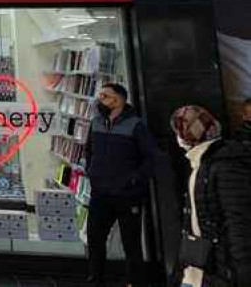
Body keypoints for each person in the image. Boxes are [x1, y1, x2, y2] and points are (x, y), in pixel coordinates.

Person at [84, 82, 159, 287]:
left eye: (105, 96)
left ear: (118, 100)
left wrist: (134, 179)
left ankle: (133, 282)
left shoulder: (135, 125)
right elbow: (88, 151)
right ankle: (95, 279)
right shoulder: (96, 122)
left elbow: (152, 157)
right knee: (94, 239)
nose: (100, 100)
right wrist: (92, 172)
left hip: (127, 195)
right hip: (100, 193)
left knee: (131, 243)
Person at [171, 105, 251, 287]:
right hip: (200, 270)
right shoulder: (202, 163)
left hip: (217, 272)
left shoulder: (223, 164)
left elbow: (238, 221)